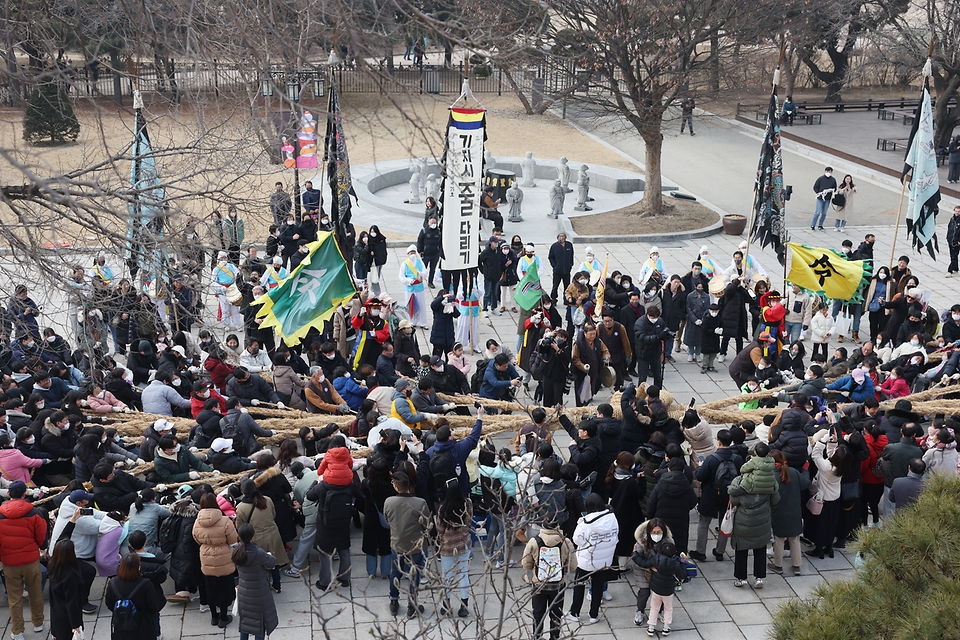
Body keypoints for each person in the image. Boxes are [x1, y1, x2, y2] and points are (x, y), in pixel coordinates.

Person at [728, 443, 779, 588]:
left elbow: (734, 499)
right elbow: (776, 499)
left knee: (741, 551)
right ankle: (759, 578)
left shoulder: (742, 481)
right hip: (762, 523)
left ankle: (741, 578)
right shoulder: (770, 480)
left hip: (743, 522)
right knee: (760, 550)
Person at [0, 480, 47, 639]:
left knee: (14, 598)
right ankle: (38, 623)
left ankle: (17, 631)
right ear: (24, 494)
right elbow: (41, 537)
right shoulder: (34, 513)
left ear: (8, 494)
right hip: (31, 559)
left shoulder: (0, 515)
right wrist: (41, 546)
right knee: (35, 592)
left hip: (9, 562)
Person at [383, 471, 431, 617]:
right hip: (416, 545)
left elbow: (387, 520)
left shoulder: (389, 502)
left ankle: (394, 601)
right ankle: (412, 604)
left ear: (396, 488)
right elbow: (427, 523)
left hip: (397, 544)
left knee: (396, 572)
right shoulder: (420, 502)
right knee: (414, 574)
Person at [521, 512, 576, 640]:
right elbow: (572, 566)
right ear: (558, 525)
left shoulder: (534, 542)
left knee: (538, 615)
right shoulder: (566, 542)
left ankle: (537, 637)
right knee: (556, 615)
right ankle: (554, 637)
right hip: (558, 586)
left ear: (543, 526)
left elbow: (525, 563)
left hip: (539, 585)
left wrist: (535, 570)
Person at [690, 429, 742, 562]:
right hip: (728, 496)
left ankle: (700, 551)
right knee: (724, 523)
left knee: (703, 523)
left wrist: (700, 467)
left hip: (710, 495)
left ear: (718, 441)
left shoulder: (711, 459)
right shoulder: (737, 459)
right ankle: (720, 551)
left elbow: (701, 476)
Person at [567, 493, 618, 625]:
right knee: (598, 586)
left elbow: (577, 539)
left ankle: (575, 613)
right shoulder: (612, 518)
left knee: (579, 586)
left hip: (586, 560)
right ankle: (594, 615)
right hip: (604, 561)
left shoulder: (585, 523)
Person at [192, 492, 238, 628]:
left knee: (210, 588)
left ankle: (214, 616)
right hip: (223, 557)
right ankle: (224, 617)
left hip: (206, 557)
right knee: (224, 588)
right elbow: (233, 539)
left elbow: (196, 538)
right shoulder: (224, 520)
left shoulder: (197, 521)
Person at [234, 480, 285, 593]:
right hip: (273, 534)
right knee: (273, 562)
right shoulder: (268, 500)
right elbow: (273, 514)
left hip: (256, 538)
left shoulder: (241, 508)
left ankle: (263, 587)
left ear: (243, 492)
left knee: (260, 564)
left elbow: (240, 527)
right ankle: (277, 585)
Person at [232, 522, 279, 640]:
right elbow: (272, 562)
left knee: (245, 624)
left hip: (244, 593)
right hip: (259, 594)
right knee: (259, 626)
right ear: (253, 536)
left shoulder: (236, 552)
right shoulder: (259, 553)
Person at [807, 425, 847, 559]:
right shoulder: (841, 466)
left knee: (820, 526)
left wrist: (823, 440)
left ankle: (819, 548)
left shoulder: (826, 467)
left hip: (823, 499)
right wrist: (833, 442)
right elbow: (831, 456)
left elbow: (816, 454)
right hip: (835, 498)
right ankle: (829, 546)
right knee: (832, 524)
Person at [435, 478, 473, 617]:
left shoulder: (443, 507)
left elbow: (439, 528)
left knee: (447, 575)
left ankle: (446, 605)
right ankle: (464, 605)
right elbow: (468, 522)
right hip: (463, 541)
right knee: (463, 574)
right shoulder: (467, 503)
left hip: (447, 545)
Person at [769, 449, 810, 575]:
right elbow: (806, 483)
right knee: (795, 539)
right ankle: (796, 566)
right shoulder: (793, 472)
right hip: (794, 511)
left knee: (779, 539)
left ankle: (778, 565)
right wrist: (805, 470)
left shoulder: (771, 476)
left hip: (778, 512)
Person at [106, 553, 166, 640]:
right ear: (138, 567)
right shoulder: (146, 584)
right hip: (143, 626)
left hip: (121, 626)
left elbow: (109, 603)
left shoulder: (113, 584)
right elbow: (154, 606)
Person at [48, 540, 85, 640]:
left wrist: (54, 629)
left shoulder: (53, 568)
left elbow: (52, 598)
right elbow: (71, 601)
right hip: (68, 619)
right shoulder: (71, 575)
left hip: (57, 616)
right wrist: (75, 624)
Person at [548, 233, 575, 303]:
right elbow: (551, 257)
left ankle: (566, 299)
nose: (561, 238)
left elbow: (571, 255)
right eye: (560, 236)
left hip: (567, 270)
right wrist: (554, 266)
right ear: (558, 237)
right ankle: (554, 299)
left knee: (567, 286)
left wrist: (570, 264)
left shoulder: (569, 245)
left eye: (563, 236)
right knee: (555, 286)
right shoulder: (554, 246)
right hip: (557, 271)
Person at [417, 217, 442, 288]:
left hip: (435, 254)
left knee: (432, 269)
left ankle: (430, 282)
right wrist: (420, 250)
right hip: (426, 253)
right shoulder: (424, 231)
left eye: (435, 223)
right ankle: (418, 281)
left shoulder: (439, 231)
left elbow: (441, 242)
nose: (433, 224)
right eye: (432, 223)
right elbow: (420, 241)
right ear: (428, 223)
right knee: (422, 268)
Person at [810, 166, 837, 231]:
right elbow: (815, 187)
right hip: (820, 198)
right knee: (817, 212)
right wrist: (819, 193)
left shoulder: (833, 180)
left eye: (830, 171)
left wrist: (831, 191)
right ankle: (813, 225)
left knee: (824, 213)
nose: (828, 173)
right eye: (827, 171)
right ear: (825, 171)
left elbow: (835, 188)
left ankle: (820, 225)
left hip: (827, 199)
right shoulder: (820, 179)